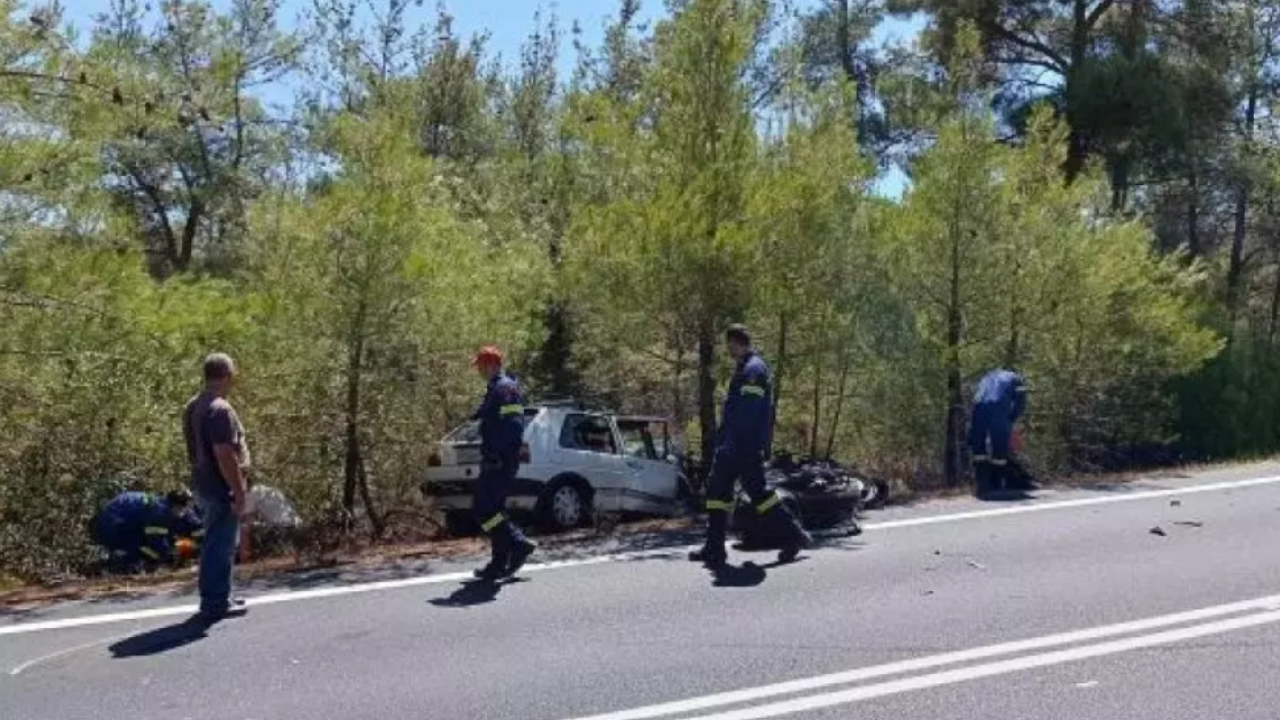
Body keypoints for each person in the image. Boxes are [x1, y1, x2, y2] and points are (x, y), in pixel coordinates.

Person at [690, 324, 812, 568]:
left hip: (742, 447)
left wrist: (733, 444)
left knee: (759, 495)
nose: (728, 350)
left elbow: (748, 413)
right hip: (734, 445)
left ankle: (794, 536)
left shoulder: (754, 369)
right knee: (718, 493)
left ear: (736, 342)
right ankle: (714, 548)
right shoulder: (746, 367)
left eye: (729, 345)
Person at [182, 352, 250, 621]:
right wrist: (237, 490)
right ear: (228, 376)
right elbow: (224, 453)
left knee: (218, 541)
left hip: (202, 483)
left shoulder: (193, 405)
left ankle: (222, 594)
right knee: (220, 544)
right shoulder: (220, 409)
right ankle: (215, 602)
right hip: (219, 487)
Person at [469, 345, 538, 581]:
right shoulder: (496, 388)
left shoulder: (505, 387)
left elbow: (513, 426)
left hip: (499, 460)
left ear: (490, 365)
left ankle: (518, 543)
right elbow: (495, 417)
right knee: (492, 511)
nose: (478, 370)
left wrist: (498, 454)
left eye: (480, 366)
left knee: (483, 510)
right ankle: (499, 563)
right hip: (495, 459)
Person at [92, 489, 200, 573]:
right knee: (143, 551)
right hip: (112, 524)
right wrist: (170, 558)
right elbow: (157, 542)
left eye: (187, 507)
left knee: (154, 551)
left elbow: (195, 526)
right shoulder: (159, 512)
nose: (185, 511)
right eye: (182, 508)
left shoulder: (171, 507)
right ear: (174, 505)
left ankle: (117, 563)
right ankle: (113, 566)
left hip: (122, 519)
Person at [968, 366, 1028, 497]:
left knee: (978, 449)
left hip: (979, 408)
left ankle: (982, 485)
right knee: (999, 448)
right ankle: (996, 483)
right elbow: (1021, 402)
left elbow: (977, 396)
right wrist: (1011, 418)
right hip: (999, 408)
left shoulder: (987, 376)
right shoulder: (1015, 378)